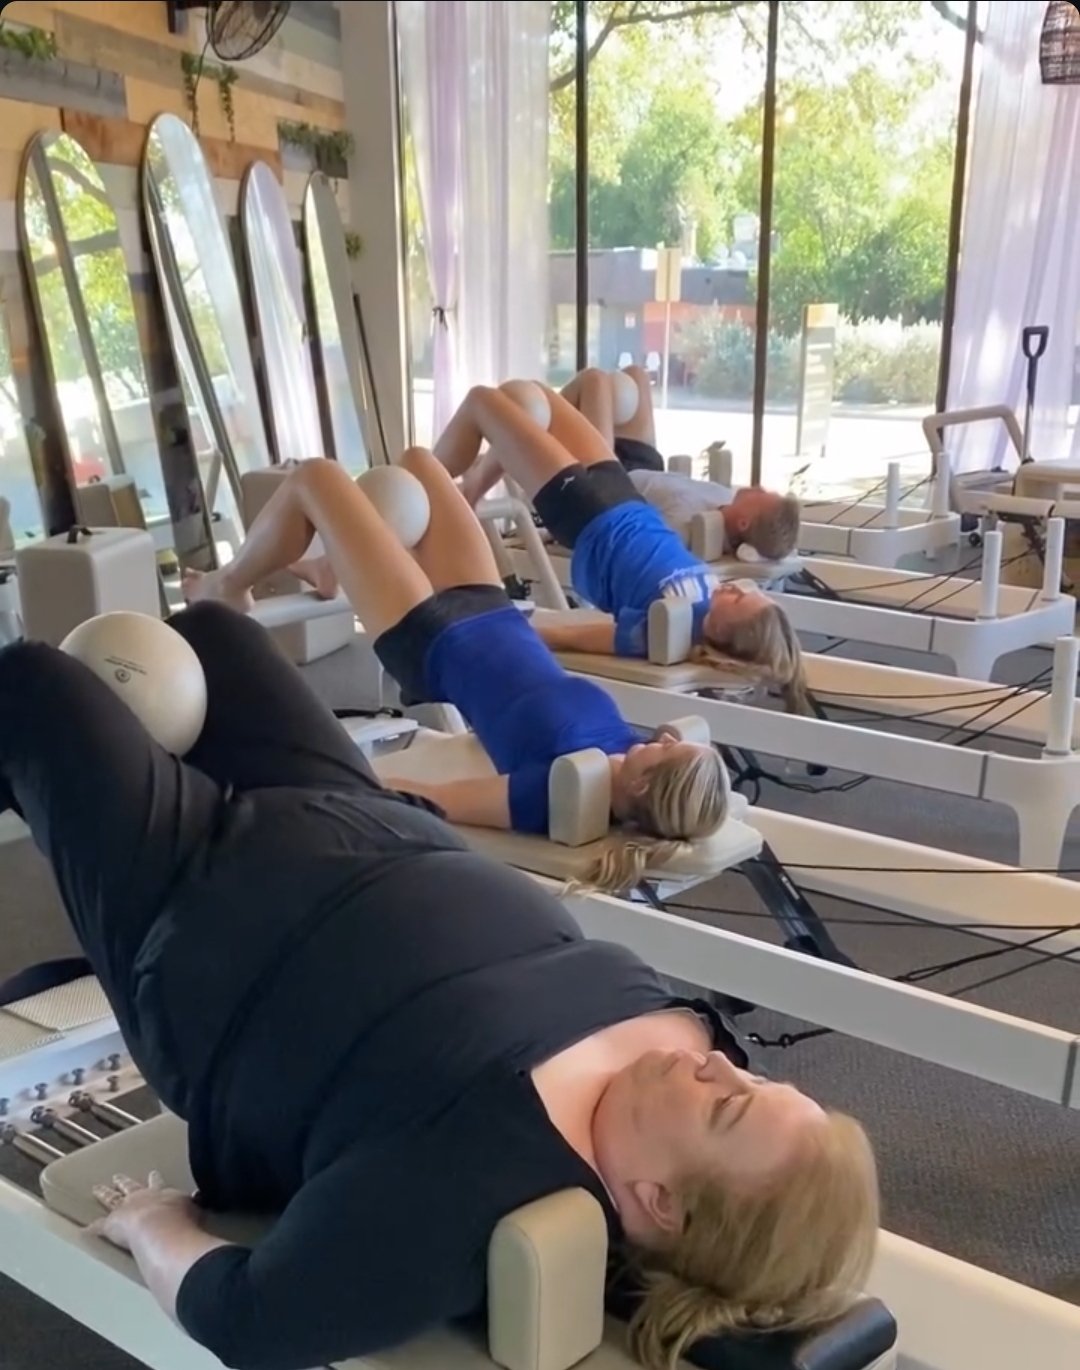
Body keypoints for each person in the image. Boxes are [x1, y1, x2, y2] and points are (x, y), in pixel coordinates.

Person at [0, 602, 879, 1370]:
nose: (729, 1071)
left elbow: (256, 1322)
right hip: (366, 816)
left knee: (33, 682)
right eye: (759, 1081)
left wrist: (154, 1224)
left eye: (728, 1106)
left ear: (658, 1203)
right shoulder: (693, 1062)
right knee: (210, 633)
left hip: (209, 906)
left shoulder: (474, 1194)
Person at [183, 450, 727, 893]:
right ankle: (332, 566)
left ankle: (226, 586)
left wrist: (327, 784)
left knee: (316, 478)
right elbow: (699, 808)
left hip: (427, 638)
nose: (659, 738)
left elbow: (432, 800)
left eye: (665, 750)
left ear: (644, 783)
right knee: (422, 463)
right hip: (491, 611)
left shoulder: (556, 792)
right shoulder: (621, 753)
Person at [435, 382, 812, 715]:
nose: (734, 588)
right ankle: (466, 496)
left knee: (482, 401)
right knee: (530, 395)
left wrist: (491, 633)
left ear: (720, 631)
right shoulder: (707, 600)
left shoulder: (662, 631)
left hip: (583, 512)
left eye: (736, 600)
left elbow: (571, 636)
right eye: (746, 593)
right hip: (623, 494)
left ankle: (425, 492)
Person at [459, 368, 801, 562]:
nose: (758, 488)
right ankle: (523, 427)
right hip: (647, 464)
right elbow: (778, 541)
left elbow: (633, 538)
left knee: (595, 381)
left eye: (763, 495)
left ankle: (522, 426)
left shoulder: (687, 528)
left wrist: (549, 534)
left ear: (743, 520)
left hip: (615, 480)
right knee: (636, 376)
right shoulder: (730, 501)